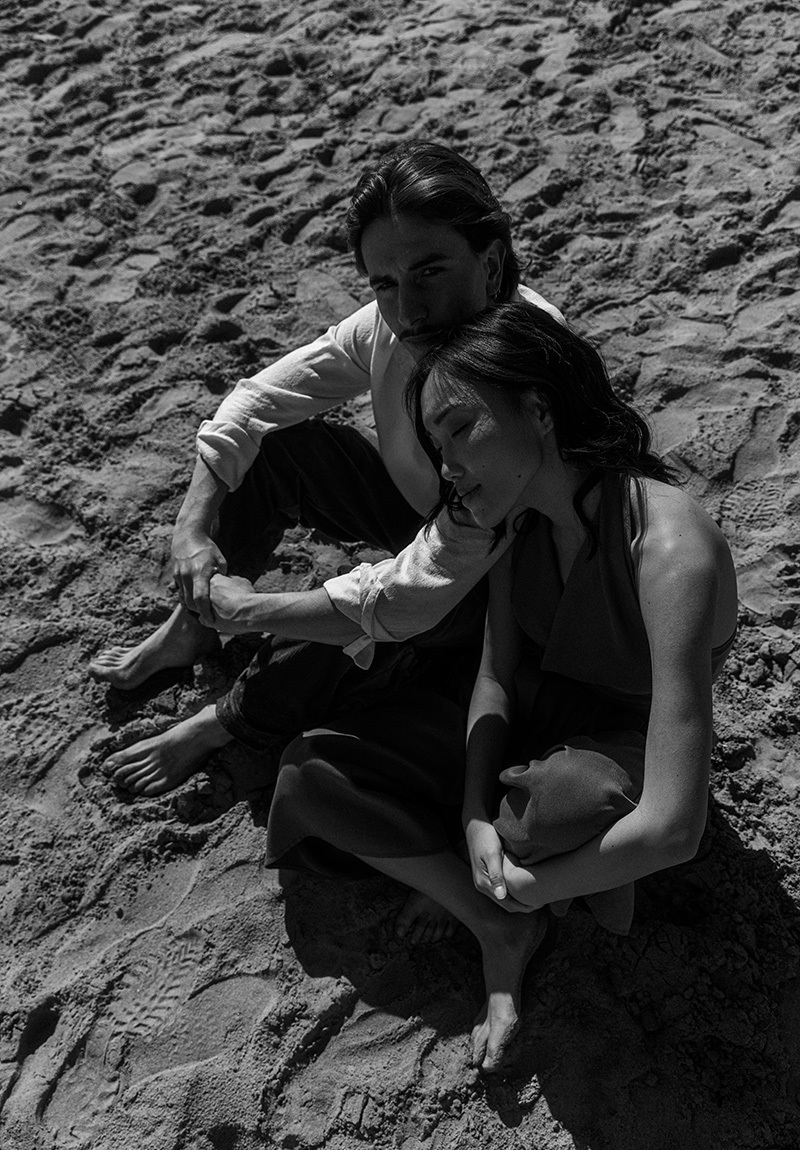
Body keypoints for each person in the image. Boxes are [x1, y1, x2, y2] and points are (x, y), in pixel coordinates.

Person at [262, 301, 738, 1071]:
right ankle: (489, 899)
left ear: (540, 409)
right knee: (312, 771)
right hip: (534, 728)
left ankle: (499, 902)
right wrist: (475, 812)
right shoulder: (519, 523)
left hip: (625, 742)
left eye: (459, 429)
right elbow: (493, 679)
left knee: (578, 801)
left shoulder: (668, 546)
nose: (446, 464)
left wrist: (526, 887)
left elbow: (677, 827)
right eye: (434, 441)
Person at [89, 143, 563, 833]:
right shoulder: (388, 328)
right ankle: (191, 628)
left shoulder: (521, 377)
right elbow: (257, 401)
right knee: (278, 448)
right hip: (431, 516)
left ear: (491, 262)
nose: (411, 307)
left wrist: (255, 610)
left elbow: (410, 590)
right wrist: (191, 526)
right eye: (384, 283)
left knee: (345, 615)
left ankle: (226, 721)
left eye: (431, 270)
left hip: (503, 591)